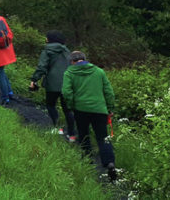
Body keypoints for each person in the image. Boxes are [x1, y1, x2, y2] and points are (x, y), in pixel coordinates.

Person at [62, 50, 116, 181]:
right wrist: (110, 108)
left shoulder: (69, 73)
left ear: (72, 61)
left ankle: (88, 163)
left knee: (84, 135)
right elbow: (109, 92)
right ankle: (109, 163)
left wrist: (71, 105)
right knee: (103, 137)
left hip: (80, 110)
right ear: (85, 59)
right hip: (99, 109)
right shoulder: (99, 71)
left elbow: (66, 92)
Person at [30, 30, 77, 141]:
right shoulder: (67, 51)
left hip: (52, 83)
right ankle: (72, 135)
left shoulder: (47, 51)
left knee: (51, 105)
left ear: (49, 39)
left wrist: (34, 79)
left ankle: (57, 128)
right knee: (68, 109)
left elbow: (42, 67)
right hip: (67, 83)